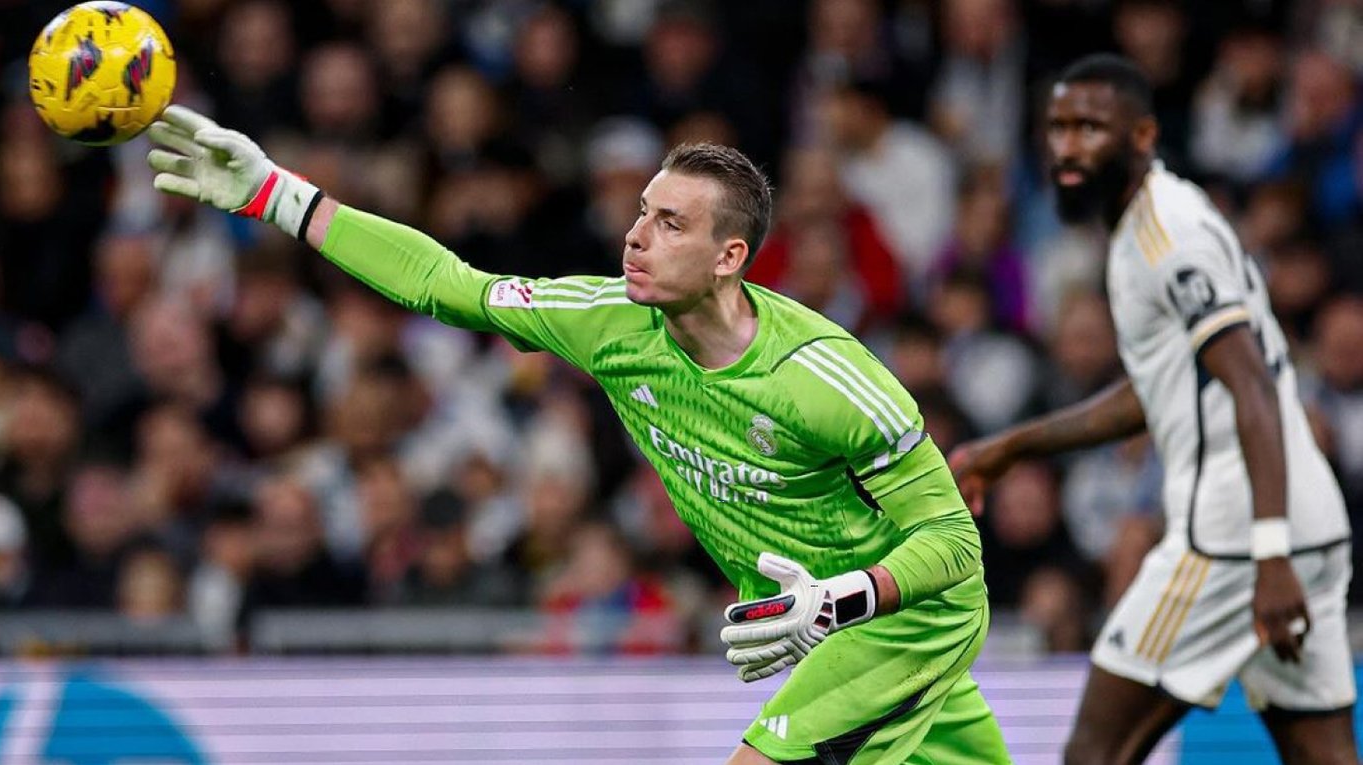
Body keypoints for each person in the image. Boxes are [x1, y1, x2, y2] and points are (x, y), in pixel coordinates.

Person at [145, 105, 1009, 764]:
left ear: (730, 258)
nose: (635, 236)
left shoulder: (826, 378)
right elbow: (449, 285)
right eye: (642, 211)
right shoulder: (607, 323)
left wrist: (840, 598)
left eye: (670, 224)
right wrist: (279, 194)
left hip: (897, 620)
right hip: (817, 622)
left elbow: (955, 543)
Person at [950, 54, 1356, 765]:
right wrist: (1011, 447)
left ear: (1141, 135)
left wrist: (1268, 554)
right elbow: (1155, 391)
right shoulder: (1149, 223)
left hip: (1235, 535)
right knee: (1321, 752)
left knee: (1094, 752)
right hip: (1303, 524)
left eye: (1090, 128)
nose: (1068, 147)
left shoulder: (1167, 235)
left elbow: (1252, 384)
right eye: (1058, 128)